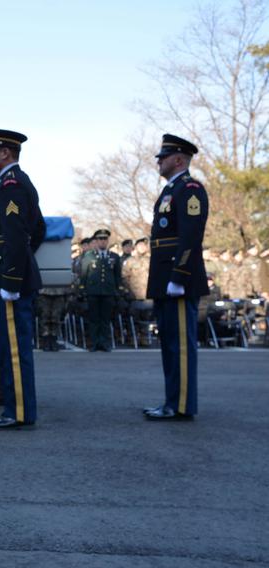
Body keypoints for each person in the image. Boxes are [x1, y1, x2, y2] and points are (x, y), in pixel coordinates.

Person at [0, 128, 43, 429]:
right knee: (8, 348)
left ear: (5, 153)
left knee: (15, 350)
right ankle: (13, 407)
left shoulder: (12, 184)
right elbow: (38, 230)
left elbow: (18, 236)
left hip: (9, 281)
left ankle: (18, 412)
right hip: (6, 275)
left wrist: (12, 279)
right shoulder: (8, 183)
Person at [143, 134, 208, 421]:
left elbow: (191, 235)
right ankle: (172, 401)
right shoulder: (171, 190)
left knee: (180, 345)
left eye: (164, 156)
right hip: (164, 277)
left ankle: (180, 404)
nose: (159, 160)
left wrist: (179, 275)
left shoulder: (190, 189)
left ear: (179, 159)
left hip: (178, 277)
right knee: (169, 344)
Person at [80, 228, 122, 351]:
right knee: (94, 319)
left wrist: (117, 290)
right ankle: (94, 343)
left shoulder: (114, 257)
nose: (103, 241)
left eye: (105, 239)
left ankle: (104, 343)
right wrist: (82, 289)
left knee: (105, 319)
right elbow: (84, 274)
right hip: (93, 292)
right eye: (100, 239)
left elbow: (117, 275)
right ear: (96, 241)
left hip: (108, 292)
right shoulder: (89, 256)